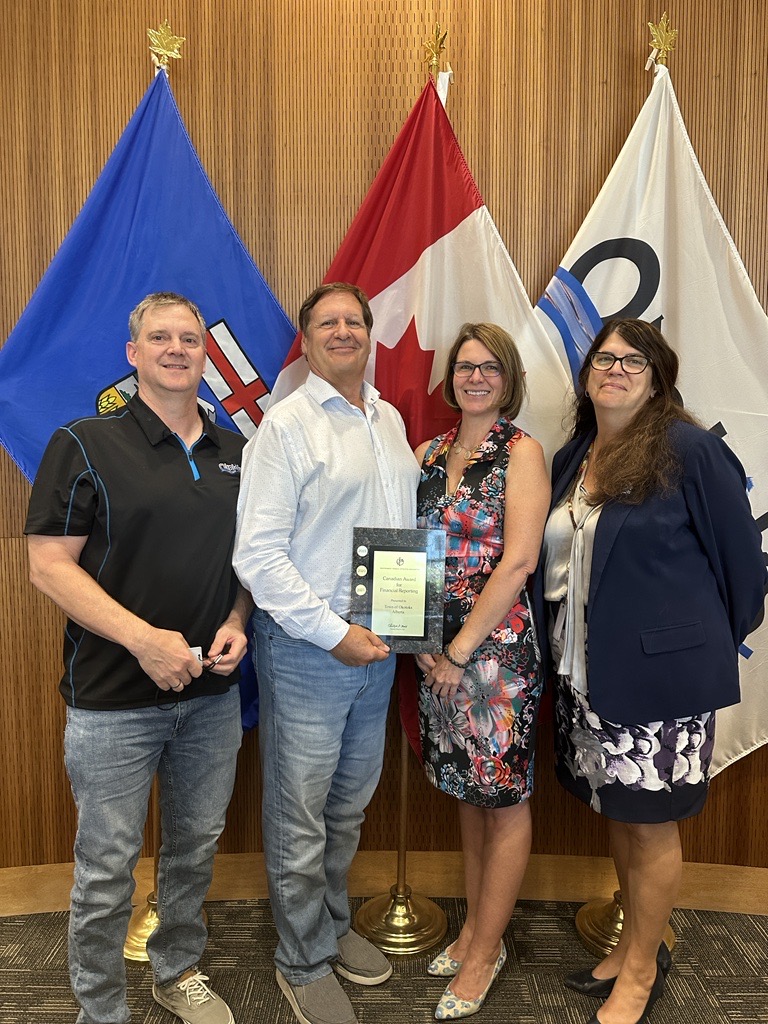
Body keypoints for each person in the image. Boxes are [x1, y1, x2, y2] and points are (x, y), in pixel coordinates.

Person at [25, 292, 251, 1024]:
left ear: (205, 353)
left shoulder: (239, 452)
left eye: (190, 337)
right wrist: (144, 641)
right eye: (160, 337)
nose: (177, 348)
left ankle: (175, 968)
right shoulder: (84, 442)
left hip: (211, 700)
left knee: (193, 849)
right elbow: (48, 565)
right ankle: (99, 1010)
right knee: (105, 871)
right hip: (112, 701)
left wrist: (240, 621)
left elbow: (251, 563)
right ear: (134, 354)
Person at [541, 319, 766, 1024]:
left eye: (633, 360)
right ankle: (628, 947)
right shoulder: (578, 453)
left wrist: (684, 651)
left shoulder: (688, 450)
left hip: (659, 689)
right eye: (604, 357)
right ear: (587, 373)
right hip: (586, 673)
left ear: (659, 374)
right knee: (620, 813)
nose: (615, 369)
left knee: (652, 825)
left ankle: (641, 967)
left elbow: (744, 574)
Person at [233, 282, 420, 1024]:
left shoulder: (390, 419)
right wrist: (333, 632)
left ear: (369, 335)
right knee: (301, 811)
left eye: (354, 320)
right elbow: (259, 558)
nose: (342, 331)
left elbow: (399, 533)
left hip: (376, 644)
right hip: (312, 646)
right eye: (326, 322)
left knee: (348, 805)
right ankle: (301, 958)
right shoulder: (286, 426)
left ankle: (332, 925)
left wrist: (396, 629)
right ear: (306, 341)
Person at [413, 323, 550, 1021]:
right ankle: (472, 930)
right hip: (434, 660)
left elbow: (519, 561)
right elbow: (408, 557)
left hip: (495, 661)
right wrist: (419, 643)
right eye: (465, 366)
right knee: (466, 795)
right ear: (451, 376)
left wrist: (461, 648)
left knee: (503, 800)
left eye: (489, 367)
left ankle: (488, 951)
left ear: (508, 377)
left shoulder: (522, 453)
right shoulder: (428, 452)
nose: (475, 377)